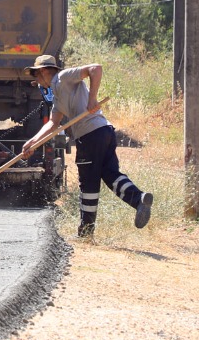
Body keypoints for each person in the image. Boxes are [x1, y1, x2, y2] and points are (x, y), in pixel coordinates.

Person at [20, 53, 152, 238]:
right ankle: (139, 199)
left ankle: (86, 232)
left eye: (36, 76)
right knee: (110, 174)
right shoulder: (57, 96)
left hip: (90, 136)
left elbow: (95, 69)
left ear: (43, 71)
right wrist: (32, 142)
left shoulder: (63, 77)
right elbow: (53, 123)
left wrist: (92, 99)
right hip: (104, 131)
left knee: (88, 184)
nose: (38, 82)